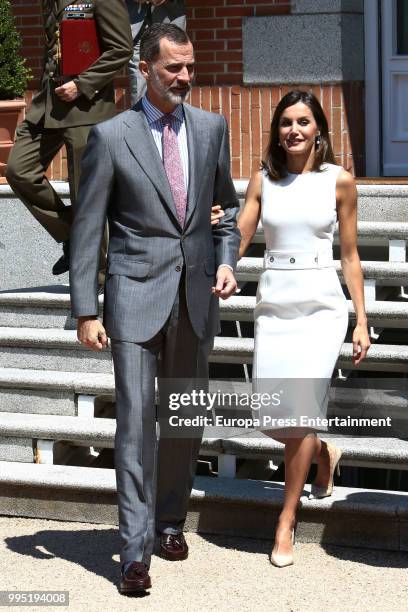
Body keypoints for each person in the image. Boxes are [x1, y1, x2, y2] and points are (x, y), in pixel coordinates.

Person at [69, 24, 240, 594]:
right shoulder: (112, 135)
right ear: (144, 68)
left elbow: (227, 212)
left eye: (190, 68)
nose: (186, 78)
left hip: (194, 299)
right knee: (136, 425)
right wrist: (86, 310)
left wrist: (227, 259)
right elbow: (88, 226)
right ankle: (134, 549)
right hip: (134, 297)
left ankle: (169, 522)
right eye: (174, 69)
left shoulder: (213, 129)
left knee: (185, 421)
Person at [238, 90, 370, 568]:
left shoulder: (340, 182)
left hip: (321, 308)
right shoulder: (262, 181)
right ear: (277, 130)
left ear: (320, 130)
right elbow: (242, 232)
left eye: (304, 121)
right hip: (275, 304)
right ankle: (320, 454)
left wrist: (361, 320)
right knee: (273, 418)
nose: (294, 129)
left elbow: (351, 256)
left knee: (301, 413)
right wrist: (225, 264)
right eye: (286, 122)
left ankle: (285, 520)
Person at [6, 0, 133, 277]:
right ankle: (72, 235)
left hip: (85, 108)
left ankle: (96, 277)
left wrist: (83, 84)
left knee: (85, 194)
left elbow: (121, 48)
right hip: (48, 105)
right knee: (19, 171)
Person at [126, 0, 186, 105]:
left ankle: (174, 117)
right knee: (138, 76)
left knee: (174, 69)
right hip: (135, 17)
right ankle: (140, 119)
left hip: (169, 12)